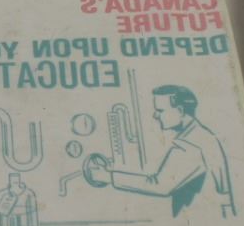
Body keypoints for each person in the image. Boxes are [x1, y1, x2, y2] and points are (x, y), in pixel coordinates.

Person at [84, 84, 231, 217]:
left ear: (180, 111)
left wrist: (107, 177)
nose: (155, 115)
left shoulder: (190, 145)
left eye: (160, 110)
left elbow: (160, 185)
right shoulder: (202, 135)